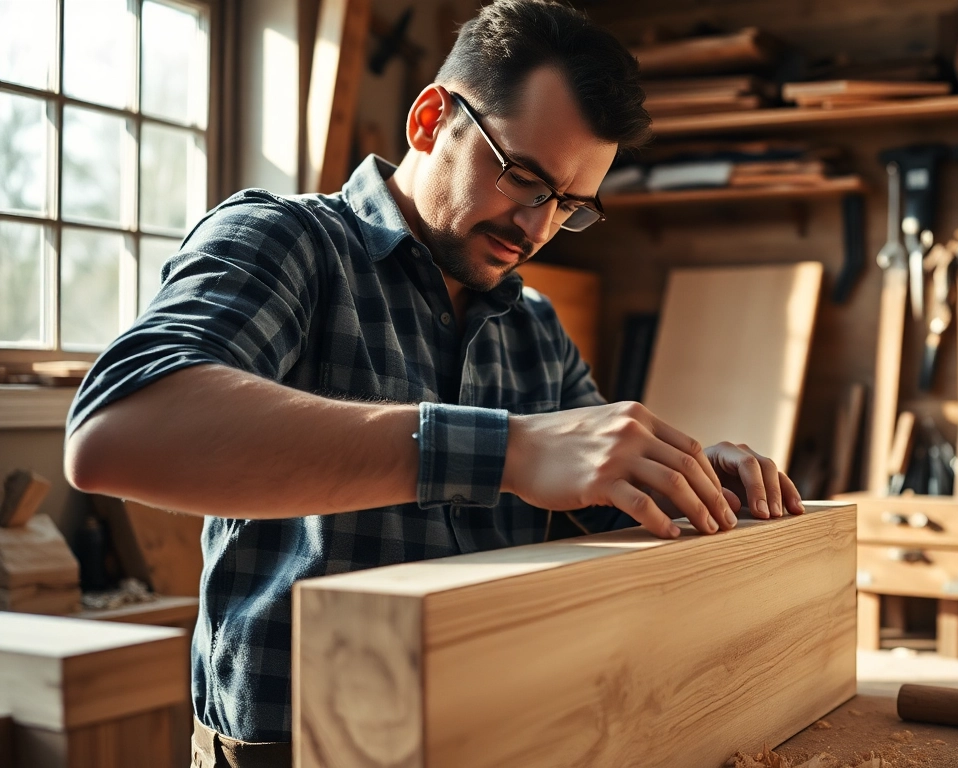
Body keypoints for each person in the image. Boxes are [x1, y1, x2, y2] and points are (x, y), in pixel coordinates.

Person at [63, 0, 804, 763]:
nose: (537, 228)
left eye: (571, 207)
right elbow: (117, 430)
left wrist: (685, 485)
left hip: (503, 741)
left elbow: (598, 495)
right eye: (524, 179)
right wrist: (503, 451)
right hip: (298, 747)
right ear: (428, 122)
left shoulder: (534, 328)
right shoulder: (286, 241)